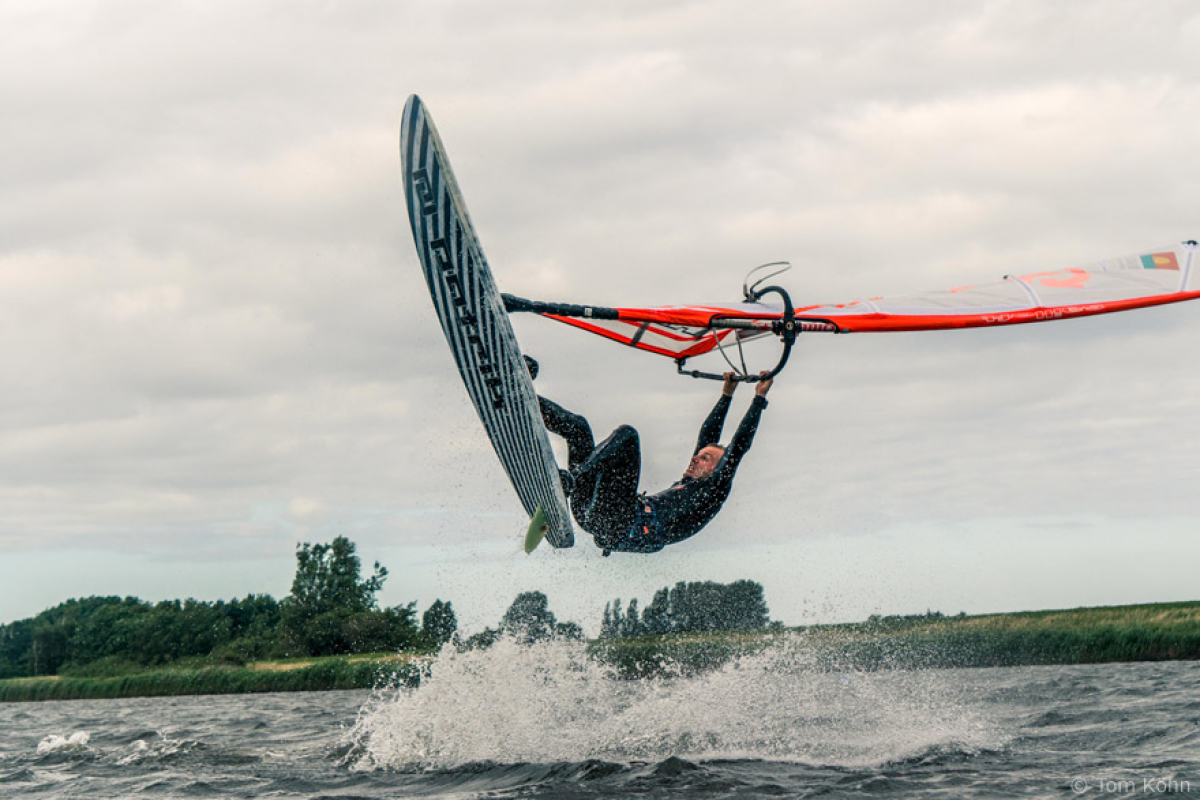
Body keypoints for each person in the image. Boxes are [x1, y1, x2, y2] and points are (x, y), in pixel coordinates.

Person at [531, 359, 773, 554]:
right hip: (593, 512)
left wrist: (759, 398)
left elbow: (739, 444)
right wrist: (726, 395)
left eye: (705, 458)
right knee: (579, 429)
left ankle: (570, 481)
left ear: (718, 469)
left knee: (627, 436)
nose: (695, 459)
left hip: (621, 524)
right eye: (698, 455)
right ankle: (524, 396)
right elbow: (708, 434)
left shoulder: (713, 490)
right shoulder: (690, 482)